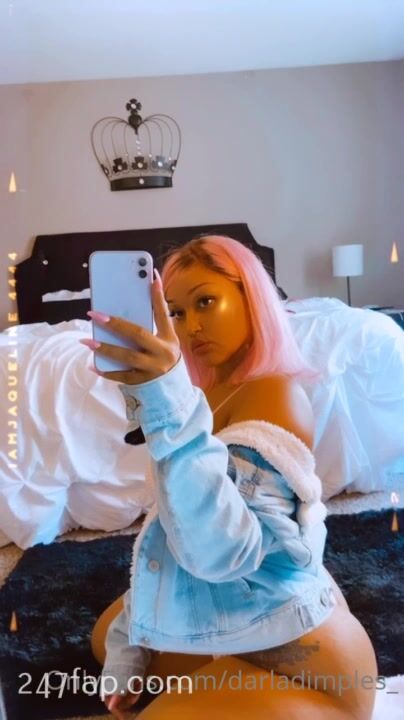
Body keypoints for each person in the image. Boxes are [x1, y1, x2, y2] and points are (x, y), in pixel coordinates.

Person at [82, 235, 377, 720]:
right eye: (175, 313)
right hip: (240, 621)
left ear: (250, 297)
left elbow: (224, 552)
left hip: (305, 663)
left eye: (206, 302)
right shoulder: (207, 392)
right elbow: (178, 523)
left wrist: (165, 401)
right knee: (108, 635)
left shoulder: (274, 394)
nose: (192, 326)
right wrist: (159, 394)